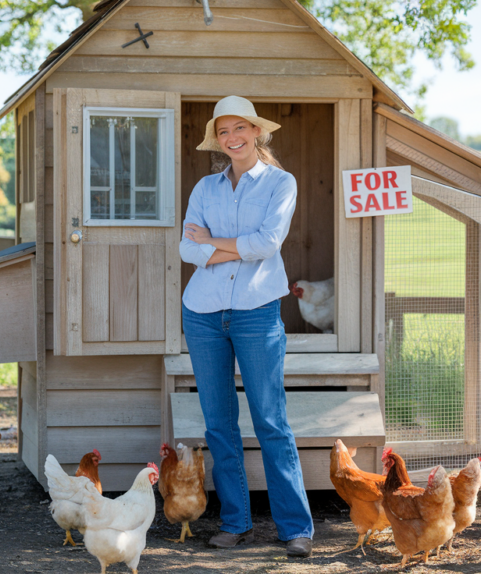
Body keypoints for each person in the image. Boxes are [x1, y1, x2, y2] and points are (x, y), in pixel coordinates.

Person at [179, 96, 314, 558]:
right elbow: (186, 249)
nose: (232, 138)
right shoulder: (204, 188)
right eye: (223, 132)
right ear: (216, 139)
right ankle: (235, 523)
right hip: (202, 312)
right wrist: (233, 247)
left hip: (257, 311)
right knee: (219, 424)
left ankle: (295, 527)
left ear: (257, 132)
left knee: (270, 419)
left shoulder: (281, 183)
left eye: (240, 128)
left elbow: (267, 243)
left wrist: (213, 244)